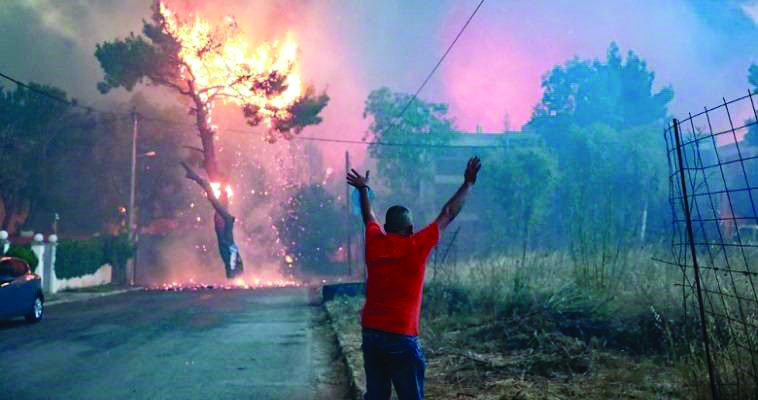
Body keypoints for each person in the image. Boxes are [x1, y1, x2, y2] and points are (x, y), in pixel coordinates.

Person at [346, 156, 482, 400]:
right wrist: (468, 184)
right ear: (409, 230)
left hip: (372, 333)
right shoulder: (416, 246)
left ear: (387, 228)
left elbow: (369, 217)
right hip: (401, 336)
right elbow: (448, 212)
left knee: (376, 395)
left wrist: (363, 189)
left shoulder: (375, 242)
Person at [181, 161, 244, 279]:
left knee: (227, 250)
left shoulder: (225, 223)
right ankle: (233, 275)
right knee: (227, 250)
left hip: (226, 231)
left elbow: (215, 200)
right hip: (225, 230)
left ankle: (234, 275)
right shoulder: (223, 223)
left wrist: (200, 181)